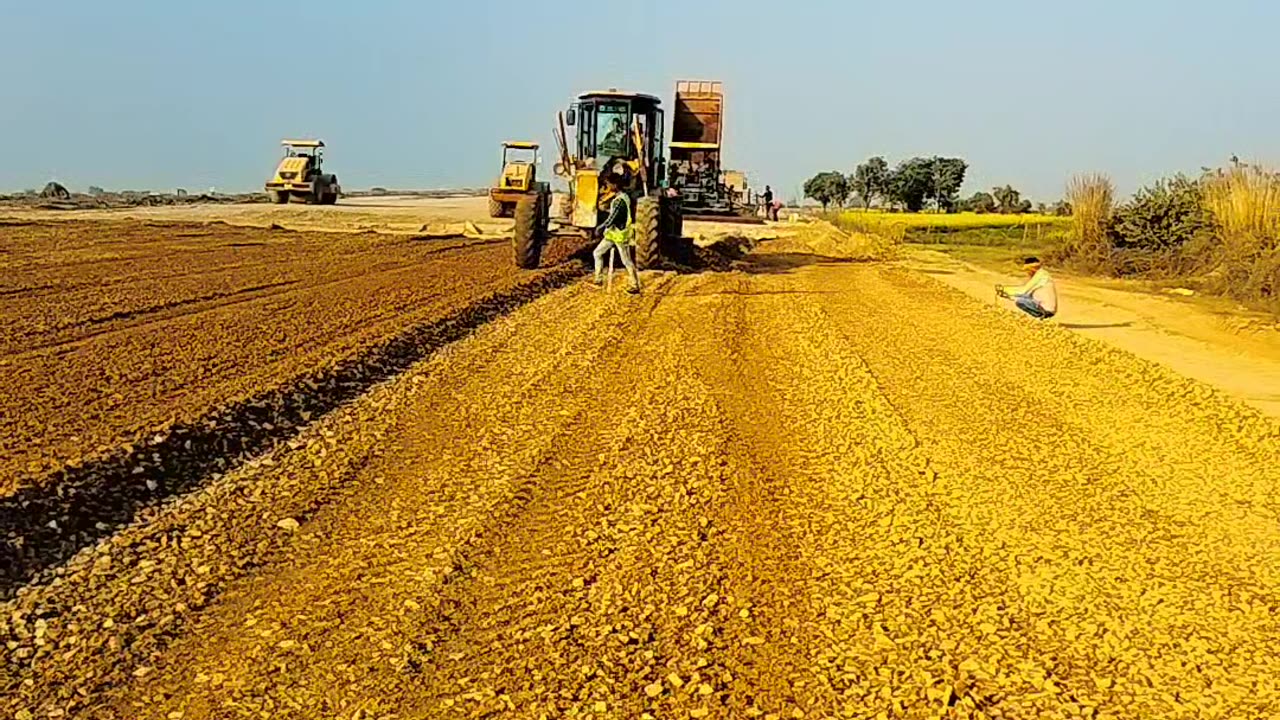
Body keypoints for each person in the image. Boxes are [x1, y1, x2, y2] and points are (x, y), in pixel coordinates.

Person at [590, 174, 641, 295]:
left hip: (619, 235)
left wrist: (601, 227)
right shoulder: (618, 198)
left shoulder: (621, 200)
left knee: (626, 261)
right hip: (612, 235)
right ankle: (598, 279)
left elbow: (613, 218)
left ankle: (634, 284)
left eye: (608, 184)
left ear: (615, 185)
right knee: (597, 253)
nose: (607, 186)